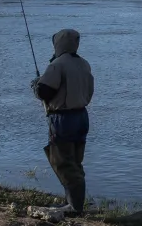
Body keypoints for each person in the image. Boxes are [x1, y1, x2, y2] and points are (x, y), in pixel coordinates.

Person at [30, 28, 94, 216]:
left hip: (64, 119)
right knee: (75, 161)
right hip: (82, 116)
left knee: (63, 162)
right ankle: (73, 203)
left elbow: (45, 92)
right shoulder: (84, 64)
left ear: (58, 44)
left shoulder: (57, 65)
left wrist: (36, 85)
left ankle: (74, 207)